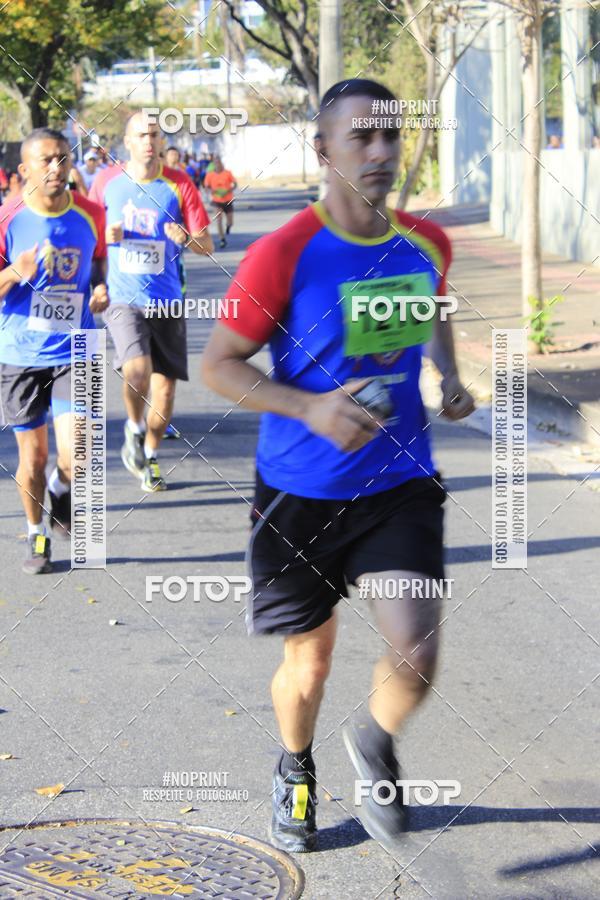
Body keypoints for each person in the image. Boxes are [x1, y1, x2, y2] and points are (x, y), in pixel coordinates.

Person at [202, 78, 475, 852]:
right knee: (310, 662)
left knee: (416, 649)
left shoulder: (427, 243)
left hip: (400, 482)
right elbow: (220, 366)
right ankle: (295, 766)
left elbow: (436, 307)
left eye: (391, 134)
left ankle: (376, 741)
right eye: (362, 137)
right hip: (302, 492)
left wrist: (446, 377)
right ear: (324, 151)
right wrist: (311, 407)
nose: (382, 151)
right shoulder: (283, 253)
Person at [0, 127, 109, 574]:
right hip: (20, 352)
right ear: (24, 170)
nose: (56, 167)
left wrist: (101, 289)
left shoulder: (91, 213)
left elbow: (99, 262)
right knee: (33, 458)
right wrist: (14, 272)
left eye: (63, 158)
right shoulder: (7, 220)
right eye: (45, 160)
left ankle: (61, 494)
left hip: (78, 344)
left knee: (78, 453)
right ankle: (36, 536)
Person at [90, 112, 212, 491]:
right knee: (137, 369)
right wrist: (104, 238)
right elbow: (88, 236)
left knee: (166, 390)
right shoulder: (106, 182)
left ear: (162, 142)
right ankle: (133, 427)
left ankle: (151, 455)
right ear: (126, 142)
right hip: (122, 296)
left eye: (155, 135)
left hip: (167, 299)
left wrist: (185, 240)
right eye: (141, 135)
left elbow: (205, 244)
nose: (148, 141)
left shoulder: (179, 184)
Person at [204, 156, 236, 248]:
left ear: (222, 164)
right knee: (219, 220)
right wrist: (211, 191)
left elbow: (235, 184)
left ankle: (228, 226)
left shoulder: (227, 173)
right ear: (214, 165)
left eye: (219, 163)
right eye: (216, 163)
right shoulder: (210, 175)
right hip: (217, 201)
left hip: (228, 200)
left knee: (230, 221)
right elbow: (206, 186)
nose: (218, 165)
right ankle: (222, 239)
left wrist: (230, 190)